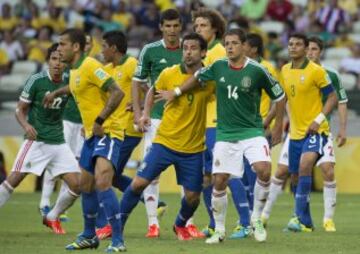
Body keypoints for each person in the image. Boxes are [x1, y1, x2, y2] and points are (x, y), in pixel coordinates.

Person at [157, 28, 286, 244]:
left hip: (252, 130)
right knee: (219, 181)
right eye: (227, 43)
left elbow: (280, 96)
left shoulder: (257, 70)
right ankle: (219, 230)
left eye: (234, 43)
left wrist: (278, 126)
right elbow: (196, 78)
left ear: (244, 46)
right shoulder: (217, 67)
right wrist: (177, 92)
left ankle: (256, 220)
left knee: (264, 169)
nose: (229, 47)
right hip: (225, 133)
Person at [119, 33, 212, 250]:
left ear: (203, 53)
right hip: (165, 142)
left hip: (193, 148)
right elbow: (152, 91)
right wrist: (145, 114)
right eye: (185, 48)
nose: (188, 52)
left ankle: (180, 223)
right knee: (139, 183)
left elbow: (208, 81)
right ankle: (118, 226)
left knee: (192, 198)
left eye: (193, 48)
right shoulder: (169, 73)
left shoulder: (209, 78)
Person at [43, 28, 125, 252]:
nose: (59, 49)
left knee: (102, 181)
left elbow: (117, 92)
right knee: (85, 185)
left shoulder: (90, 65)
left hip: (108, 131)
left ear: (76, 47)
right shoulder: (76, 71)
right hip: (91, 135)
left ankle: (118, 240)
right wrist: (55, 94)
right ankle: (89, 235)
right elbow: (74, 86)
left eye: (62, 44)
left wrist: (100, 119)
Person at [261, 36, 347, 232]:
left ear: (308, 48)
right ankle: (306, 221)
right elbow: (281, 99)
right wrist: (271, 124)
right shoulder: (284, 70)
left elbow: (334, 98)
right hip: (295, 133)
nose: (293, 47)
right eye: (290, 44)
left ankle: (304, 219)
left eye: (298, 44)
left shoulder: (318, 71)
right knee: (294, 176)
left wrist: (319, 120)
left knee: (308, 165)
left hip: (316, 131)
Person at [132, 8, 202, 238]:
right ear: (161, 27)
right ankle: (153, 223)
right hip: (156, 120)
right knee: (151, 174)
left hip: (186, 121)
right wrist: (140, 112)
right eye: (167, 26)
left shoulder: (190, 49)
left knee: (187, 175)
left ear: (181, 27)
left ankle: (188, 223)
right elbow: (139, 82)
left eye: (175, 26)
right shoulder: (150, 51)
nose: (172, 30)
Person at [0, 43, 81, 235]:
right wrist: (27, 126)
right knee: (13, 181)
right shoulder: (36, 80)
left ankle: (52, 217)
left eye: (61, 60)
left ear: (66, 63)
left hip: (58, 142)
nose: (57, 64)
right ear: (48, 60)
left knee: (77, 185)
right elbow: (20, 109)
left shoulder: (70, 80)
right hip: (36, 141)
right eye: (54, 59)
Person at [192, 7, 250, 240]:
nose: (198, 29)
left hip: (219, 121)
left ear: (215, 29)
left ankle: (245, 222)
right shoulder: (199, 53)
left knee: (226, 172)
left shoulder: (219, 52)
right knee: (206, 175)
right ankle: (215, 223)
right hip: (201, 122)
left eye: (203, 26)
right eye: (196, 26)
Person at [39, 34, 93, 221]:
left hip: (84, 123)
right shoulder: (66, 66)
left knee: (72, 165)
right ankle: (45, 203)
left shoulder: (88, 66)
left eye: (88, 43)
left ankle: (59, 207)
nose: (85, 46)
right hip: (67, 120)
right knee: (58, 162)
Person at [94, 30, 142, 240]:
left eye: (104, 46)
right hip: (112, 130)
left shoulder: (131, 64)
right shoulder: (105, 70)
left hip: (128, 129)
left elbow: (147, 87)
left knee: (106, 177)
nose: (101, 50)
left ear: (114, 48)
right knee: (110, 177)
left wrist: (138, 105)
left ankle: (105, 224)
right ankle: (152, 200)